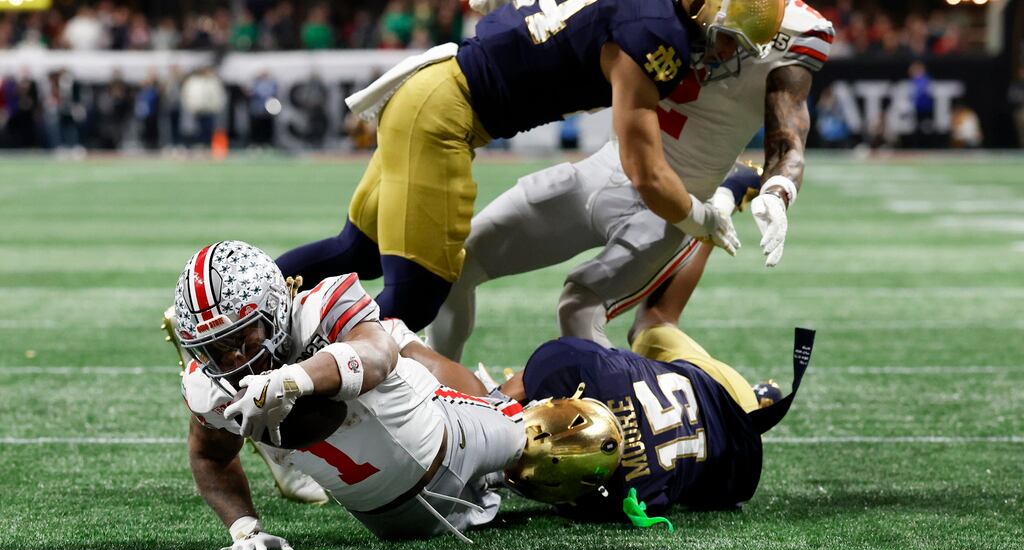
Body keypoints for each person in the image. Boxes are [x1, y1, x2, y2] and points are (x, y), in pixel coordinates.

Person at [276, 0, 787, 332]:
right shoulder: (656, 37)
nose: (725, 53)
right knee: (418, 293)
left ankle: (247, 313)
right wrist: (701, 217)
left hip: (430, 90)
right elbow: (645, 172)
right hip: (444, 113)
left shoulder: (647, 13)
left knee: (358, 252)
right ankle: (298, 390)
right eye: (727, 38)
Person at [428, 0, 834, 357]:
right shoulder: (660, 12)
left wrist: (779, 190)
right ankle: (439, 388)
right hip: (607, 169)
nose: (726, 52)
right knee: (457, 266)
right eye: (726, 36)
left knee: (579, 306)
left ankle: (626, 421)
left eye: (741, 44)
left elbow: (787, 141)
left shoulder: (798, 32)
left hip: (672, 208)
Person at [169, 241, 574, 550]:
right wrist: (244, 528)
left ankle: (530, 389)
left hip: (454, 437)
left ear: (274, 307)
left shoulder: (321, 309)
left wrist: (292, 379)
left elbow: (378, 357)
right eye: (215, 348)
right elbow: (210, 455)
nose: (235, 358)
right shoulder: (210, 390)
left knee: (559, 441)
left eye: (242, 336)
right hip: (395, 521)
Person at [497, 275, 816, 517]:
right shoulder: (619, 501)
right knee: (653, 319)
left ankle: (758, 399)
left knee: (658, 321)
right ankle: (710, 216)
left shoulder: (631, 496)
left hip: (736, 457)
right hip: (723, 403)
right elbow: (522, 385)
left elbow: (503, 398)